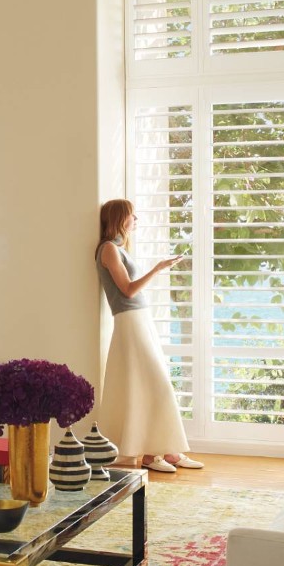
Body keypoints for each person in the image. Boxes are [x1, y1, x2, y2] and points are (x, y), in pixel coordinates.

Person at [95, 199, 203, 472]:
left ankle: (167, 452)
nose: (136, 220)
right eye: (133, 215)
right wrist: (157, 269)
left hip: (140, 319)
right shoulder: (108, 250)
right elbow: (128, 290)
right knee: (155, 383)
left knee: (154, 385)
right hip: (129, 321)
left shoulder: (120, 249)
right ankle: (154, 454)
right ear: (120, 218)